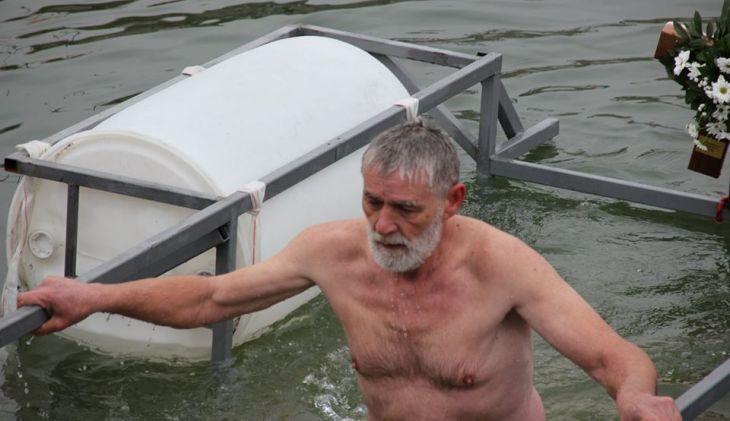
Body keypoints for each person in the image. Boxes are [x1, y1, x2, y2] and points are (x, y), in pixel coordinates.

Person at [18, 121, 681, 420]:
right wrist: (93, 296)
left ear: (453, 201)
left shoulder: (503, 266)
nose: (382, 226)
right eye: (371, 202)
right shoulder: (332, 251)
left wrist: (634, 397)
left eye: (406, 210)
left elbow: (613, 357)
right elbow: (211, 298)